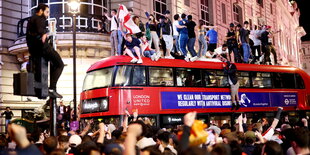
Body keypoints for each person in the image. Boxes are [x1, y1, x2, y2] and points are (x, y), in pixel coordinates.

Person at [26, 3, 64, 98]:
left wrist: (46, 35)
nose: (47, 15)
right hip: (42, 48)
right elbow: (40, 32)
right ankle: (52, 88)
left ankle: (45, 89)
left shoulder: (31, 19)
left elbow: (34, 34)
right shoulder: (40, 19)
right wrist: (45, 34)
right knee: (59, 64)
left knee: (46, 66)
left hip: (34, 50)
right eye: (47, 12)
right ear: (41, 11)